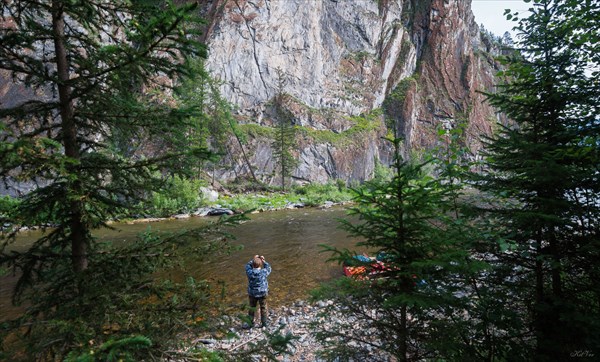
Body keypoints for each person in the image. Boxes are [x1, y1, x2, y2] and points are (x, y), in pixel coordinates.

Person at [245, 254, 271, 328]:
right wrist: (263, 261)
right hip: (262, 293)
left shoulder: (249, 272)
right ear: (261, 265)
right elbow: (269, 267)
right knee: (263, 307)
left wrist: (253, 259)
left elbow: (247, 266)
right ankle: (264, 324)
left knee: (252, 308)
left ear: (252, 264)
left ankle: (250, 323)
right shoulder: (263, 272)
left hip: (252, 293)